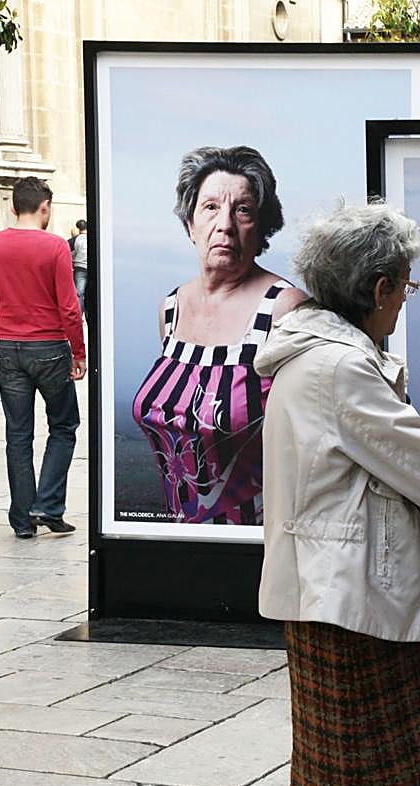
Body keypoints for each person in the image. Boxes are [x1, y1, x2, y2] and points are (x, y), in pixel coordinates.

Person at [256, 202, 420, 786]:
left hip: (330, 593)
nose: (405, 300)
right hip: (352, 601)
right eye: (405, 285)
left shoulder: (311, 356)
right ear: (378, 288)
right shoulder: (342, 368)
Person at [131, 145, 306, 524]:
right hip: (179, 540)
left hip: (260, 544)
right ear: (190, 225)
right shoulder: (171, 309)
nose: (224, 224)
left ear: (261, 227)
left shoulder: (284, 308)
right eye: (210, 207)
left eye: (242, 210)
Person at [0, 176, 85, 539]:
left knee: (17, 435)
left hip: (8, 348)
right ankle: (48, 504)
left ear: (12, 206)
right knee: (63, 426)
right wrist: (78, 352)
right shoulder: (54, 247)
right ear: (45, 206)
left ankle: (22, 520)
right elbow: (69, 308)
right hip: (50, 348)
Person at [70, 219, 89, 317]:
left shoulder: (76, 239)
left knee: (79, 294)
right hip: (92, 269)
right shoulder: (94, 237)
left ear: (78, 229)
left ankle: (78, 315)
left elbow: (66, 249)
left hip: (80, 269)